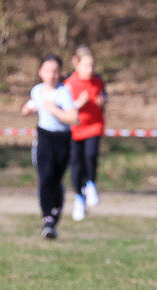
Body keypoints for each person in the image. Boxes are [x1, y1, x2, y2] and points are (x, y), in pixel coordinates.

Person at [20, 54, 86, 239]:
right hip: (44, 138)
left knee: (56, 181)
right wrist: (28, 109)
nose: (53, 75)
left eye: (56, 71)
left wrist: (54, 110)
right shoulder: (37, 90)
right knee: (45, 177)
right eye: (49, 71)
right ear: (41, 72)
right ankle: (47, 219)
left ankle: (54, 217)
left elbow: (74, 118)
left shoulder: (63, 93)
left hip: (62, 140)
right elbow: (34, 103)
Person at [64, 45, 107, 222]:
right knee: (76, 164)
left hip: (94, 126)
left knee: (91, 155)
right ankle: (79, 198)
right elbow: (65, 108)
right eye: (86, 66)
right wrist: (77, 104)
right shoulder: (69, 83)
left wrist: (102, 101)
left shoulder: (97, 81)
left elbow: (105, 99)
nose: (90, 70)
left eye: (92, 66)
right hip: (75, 129)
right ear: (77, 64)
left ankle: (91, 184)